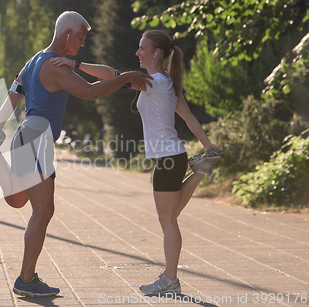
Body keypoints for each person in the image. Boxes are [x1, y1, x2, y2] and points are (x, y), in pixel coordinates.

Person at [0, 11, 153, 297]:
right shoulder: (55, 67)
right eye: (80, 38)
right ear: (66, 35)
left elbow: (12, 96)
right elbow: (90, 93)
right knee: (43, 211)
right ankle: (25, 280)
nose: (82, 44)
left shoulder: (32, 62)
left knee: (18, 200)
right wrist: (125, 77)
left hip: (26, 136)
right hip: (37, 139)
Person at [50, 29, 224, 295]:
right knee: (170, 215)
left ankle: (170, 280)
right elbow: (188, 117)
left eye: (142, 48)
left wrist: (75, 64)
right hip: (172, 156)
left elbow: (111, 75)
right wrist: (208, 145)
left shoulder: (151, 81)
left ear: (156, 53)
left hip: (167, 158)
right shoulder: (166, 82)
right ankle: (200, 169)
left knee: (168, 219)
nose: (137, 53)